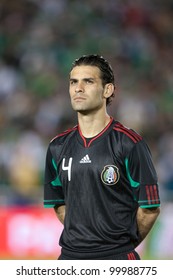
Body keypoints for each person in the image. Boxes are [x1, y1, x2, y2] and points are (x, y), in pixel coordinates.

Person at [44, 54, 160, 260]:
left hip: (116, 259)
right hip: (70, 259)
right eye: (73, 82)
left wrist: (119, 247)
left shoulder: (129, 143)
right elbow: (58, 202)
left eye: (88, 81)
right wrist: (84, 237)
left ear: (108, 90)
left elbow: (150, 209)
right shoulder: (57, 146)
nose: (78, 88)